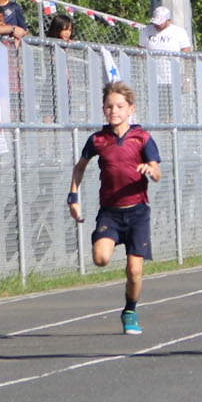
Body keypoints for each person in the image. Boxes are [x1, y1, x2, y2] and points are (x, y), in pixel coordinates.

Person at [67, 81, 163, 335]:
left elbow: (157, 171)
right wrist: (73, 198)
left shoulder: (142, 138)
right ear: (103, 110)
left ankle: (130, 310)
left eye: (120, 106)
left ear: (131, 109)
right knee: (100, 259)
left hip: (138, 211)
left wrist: (149, 170)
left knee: (134, 270)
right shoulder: (98, 139)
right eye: (109, 106)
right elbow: (80, 168)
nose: (114, 111)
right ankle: (106, 237)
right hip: (110, 212)